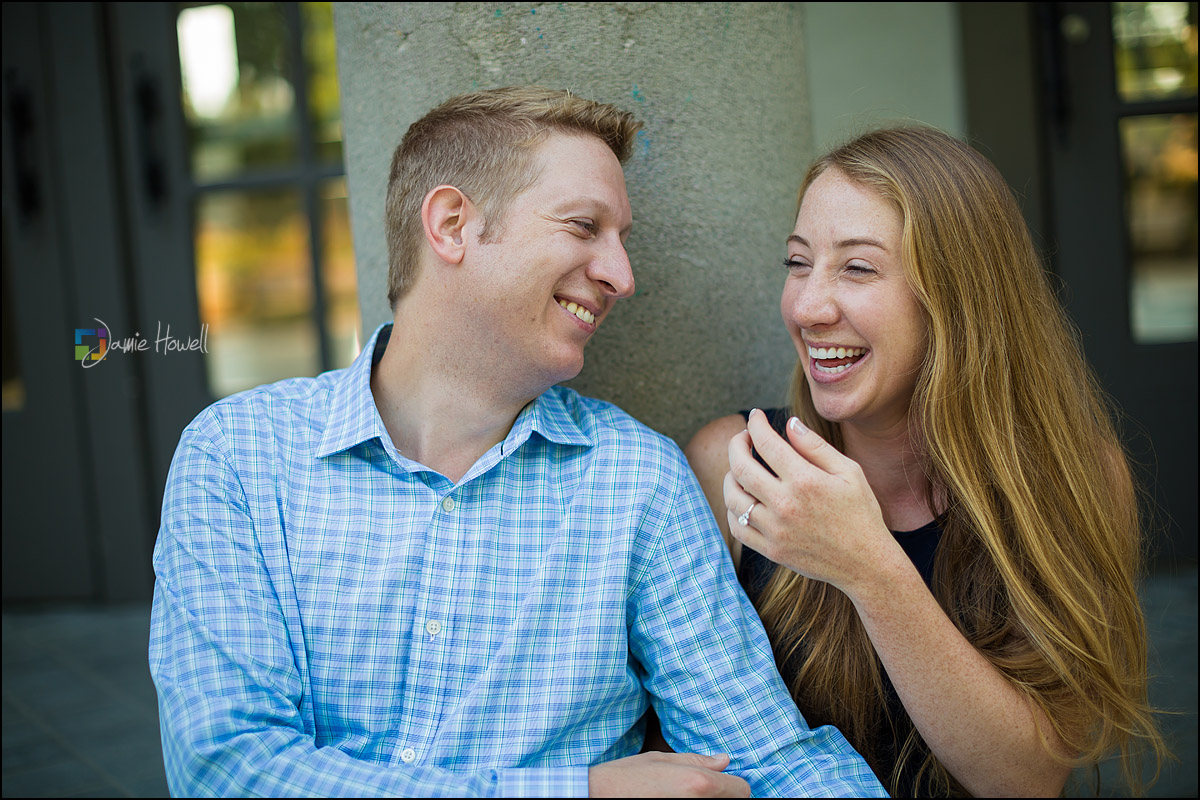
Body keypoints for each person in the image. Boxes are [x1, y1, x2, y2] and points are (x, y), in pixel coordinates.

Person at [148, 86, 886, 798]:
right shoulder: (238, 459)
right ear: (451, 225)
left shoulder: (636, 482)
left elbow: (768, 758)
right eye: (582, 227)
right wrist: (571, 793)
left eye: (621, 240)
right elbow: (226, 771)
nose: (621, 277)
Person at [686, 126, 1168, 797]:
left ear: (958, 297)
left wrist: (870, 569)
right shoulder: (733, 466)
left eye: (857, 268)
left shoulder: (1074, 479)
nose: (806, 306)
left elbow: (1027, 780)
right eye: (798, 262)